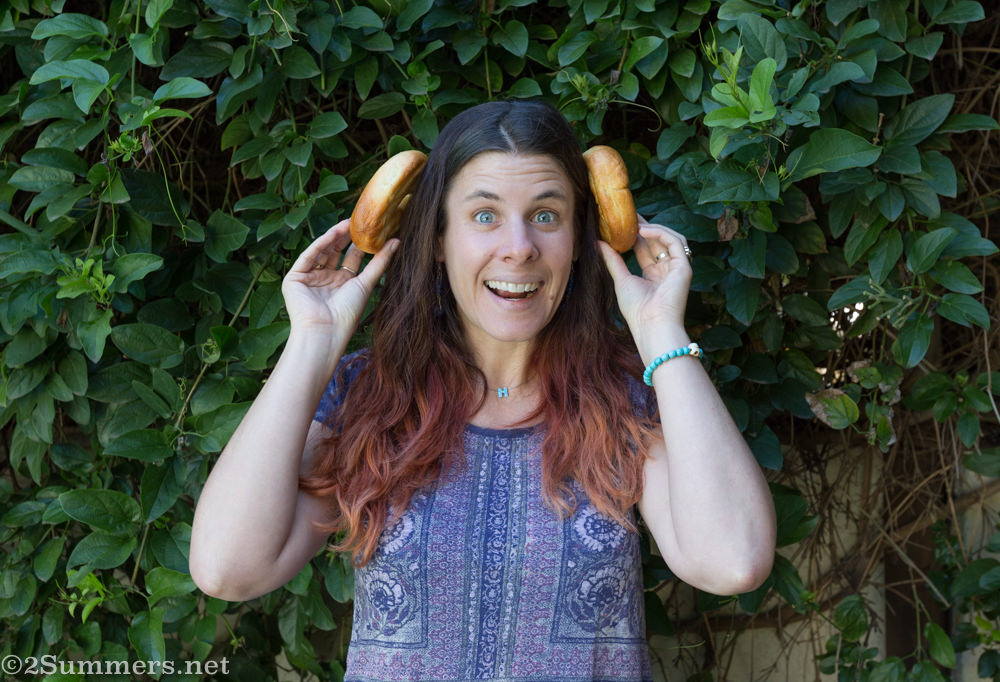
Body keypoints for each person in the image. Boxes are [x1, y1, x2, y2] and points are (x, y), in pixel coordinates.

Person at [190, 100, 776, 681]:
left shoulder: (627, 398)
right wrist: (312, 343)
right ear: (438, 238)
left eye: (546, 214)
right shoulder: (368, 394)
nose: (519, 246)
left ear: (578, 240)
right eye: (485, 215)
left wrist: (662, 333)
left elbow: (733, 562)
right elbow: (227, 570)